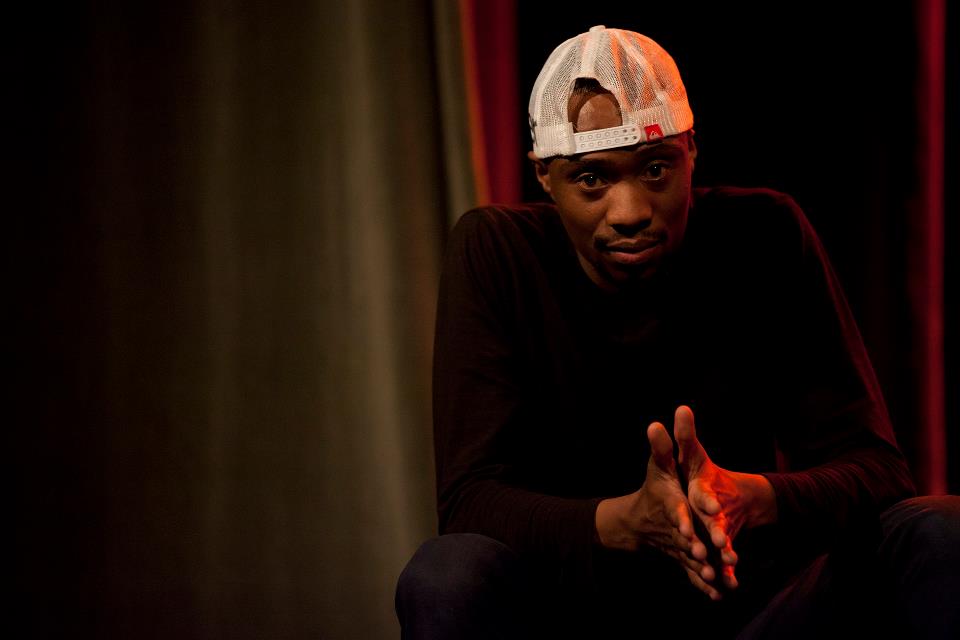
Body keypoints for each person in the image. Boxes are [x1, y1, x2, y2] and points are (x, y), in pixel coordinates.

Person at [397, 25, 960, 639]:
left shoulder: (764, 235)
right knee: (446, 572)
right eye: (591, 180)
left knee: (940, 527)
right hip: (569, 619)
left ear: (692, 151)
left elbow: (879, 473)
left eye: (656, 169)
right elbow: (469, 502)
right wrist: (629, 521)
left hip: (757, 614)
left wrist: (748, 498)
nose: (630, 212)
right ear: (544, 178)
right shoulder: (497, 253)